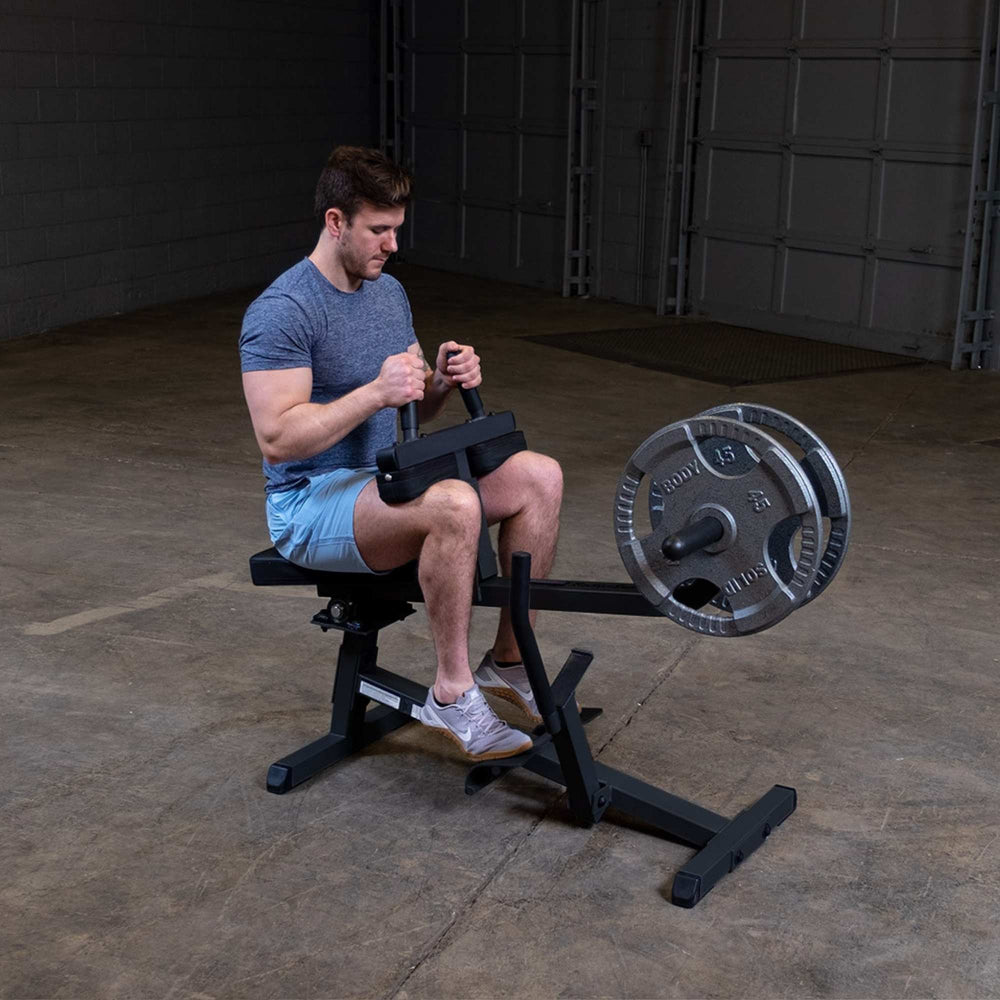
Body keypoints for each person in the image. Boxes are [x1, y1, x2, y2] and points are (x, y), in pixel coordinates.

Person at [239, 146, 563, 762]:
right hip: (309, 502)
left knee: (538, 476)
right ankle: (451, 689)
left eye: (396, 230)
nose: (391, 245)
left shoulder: (387, 294)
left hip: (385, 480)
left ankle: (509, 661)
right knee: (453, 504)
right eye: (378, 231)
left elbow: (412, 409)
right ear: (336, 222)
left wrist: (441, 381)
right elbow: (277, 438)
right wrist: (374, 393)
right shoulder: (282, 311)